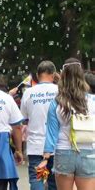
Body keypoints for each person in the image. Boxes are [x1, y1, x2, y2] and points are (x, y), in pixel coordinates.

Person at [41, 58, 95, 190]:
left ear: (63, 76)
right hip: (88, 152)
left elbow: (51, 133)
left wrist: (45, 158)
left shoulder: (56, 103)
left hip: (63, 152)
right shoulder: (92, 101)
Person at [20, 61, 58, 190]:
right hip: (57, 145)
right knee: (55, 181)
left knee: (38, 180)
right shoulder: (59, 91)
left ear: (37, 75)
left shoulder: (28, 93)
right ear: (53, 75)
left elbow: (24, 118)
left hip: (36, 145)